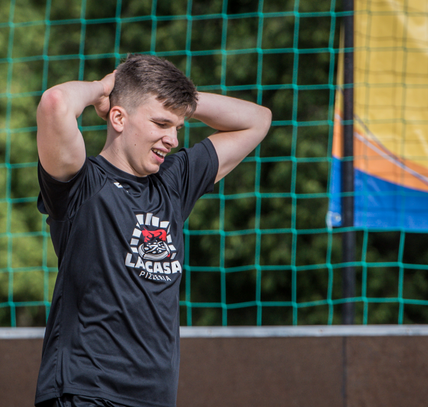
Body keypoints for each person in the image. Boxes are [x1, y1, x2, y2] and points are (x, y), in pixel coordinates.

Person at [34, 54, 272, 407]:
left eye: (177, 127)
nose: (172, 139)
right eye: (161, 123)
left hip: (155, 398)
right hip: (85, 392)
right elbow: (56, 102)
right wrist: (104, 88)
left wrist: (182, 102)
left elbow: (257, 120)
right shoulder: (82, 183)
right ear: (119, 118)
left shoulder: (172, 183)